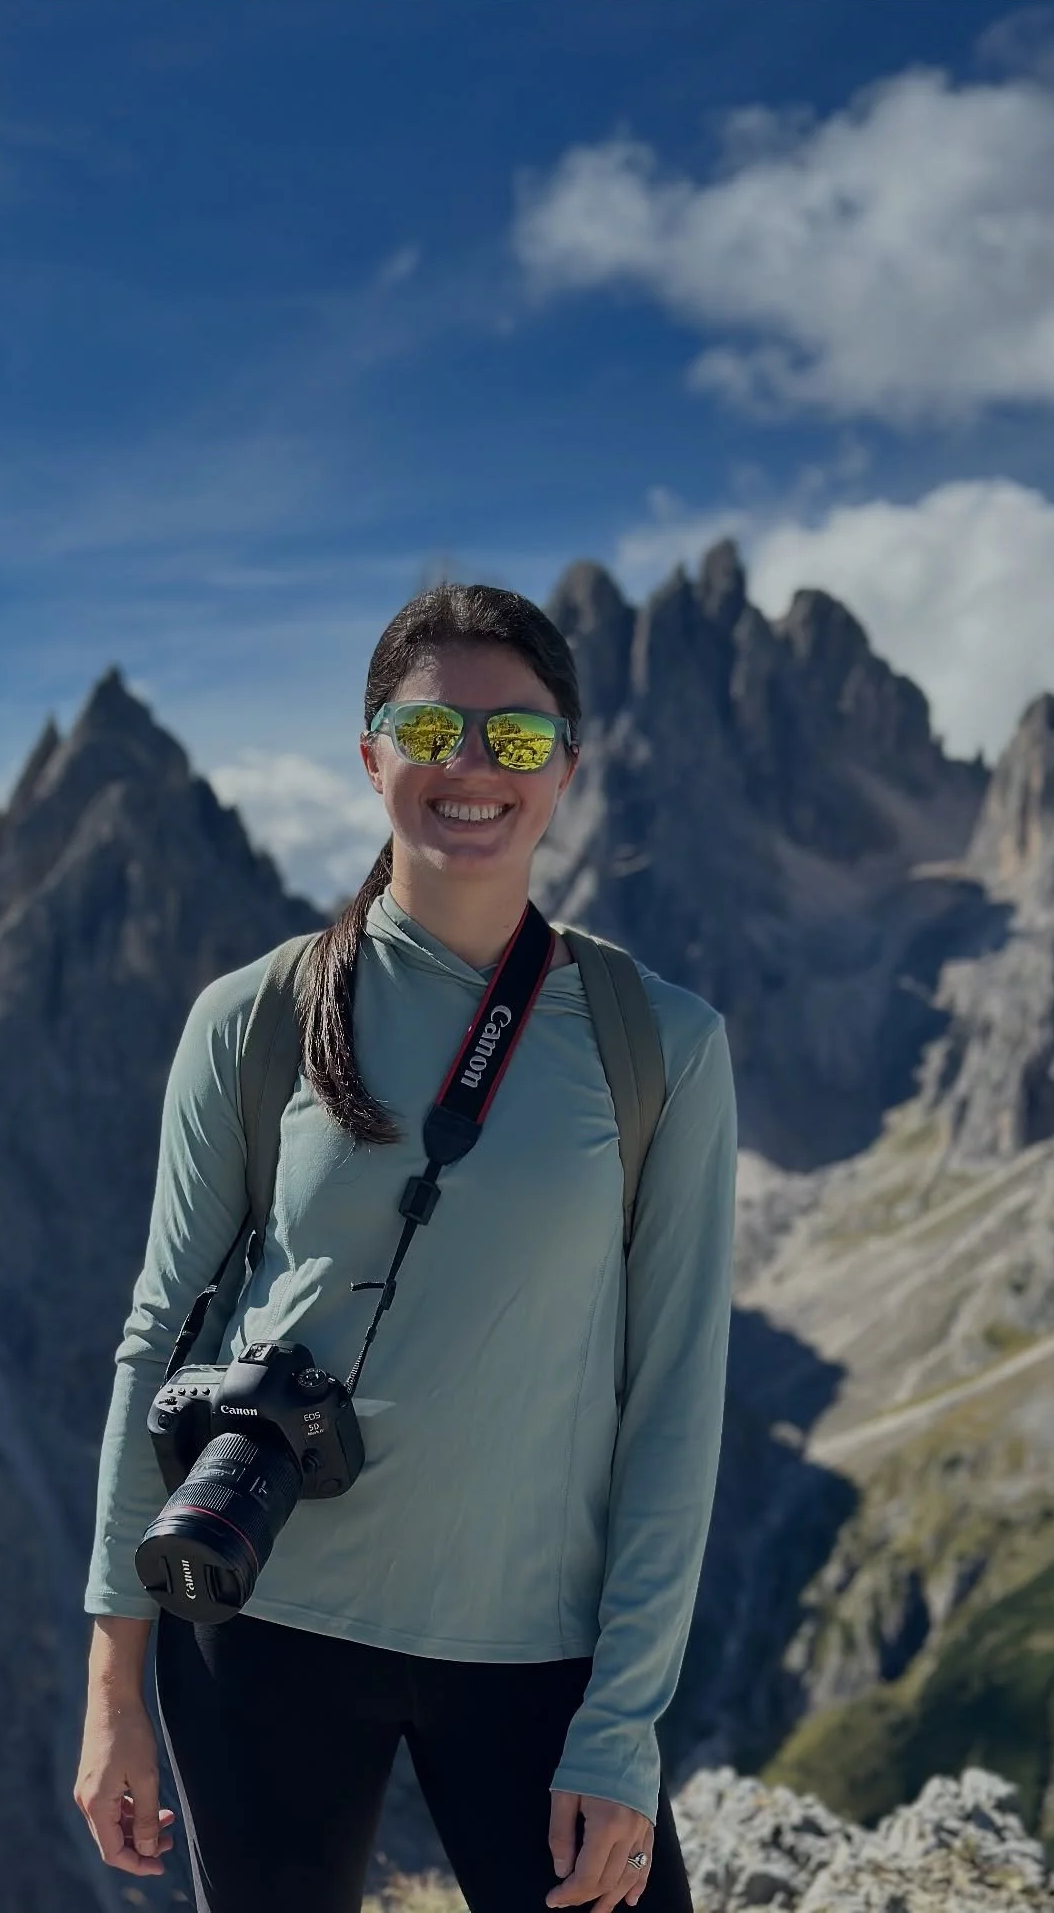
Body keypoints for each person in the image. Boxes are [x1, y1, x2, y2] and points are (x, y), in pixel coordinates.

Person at [74, 584, 736, 1913]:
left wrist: (623, 1721)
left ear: (568, 768)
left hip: (538, 1653)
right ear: (371, 753)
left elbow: (674, 1398)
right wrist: (113, 1690)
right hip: (260, 1622)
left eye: (519, 738)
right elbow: (160, 1343)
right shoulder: (252, 1018)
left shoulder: (658, 1042)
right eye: (430, 728)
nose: (473, 767)